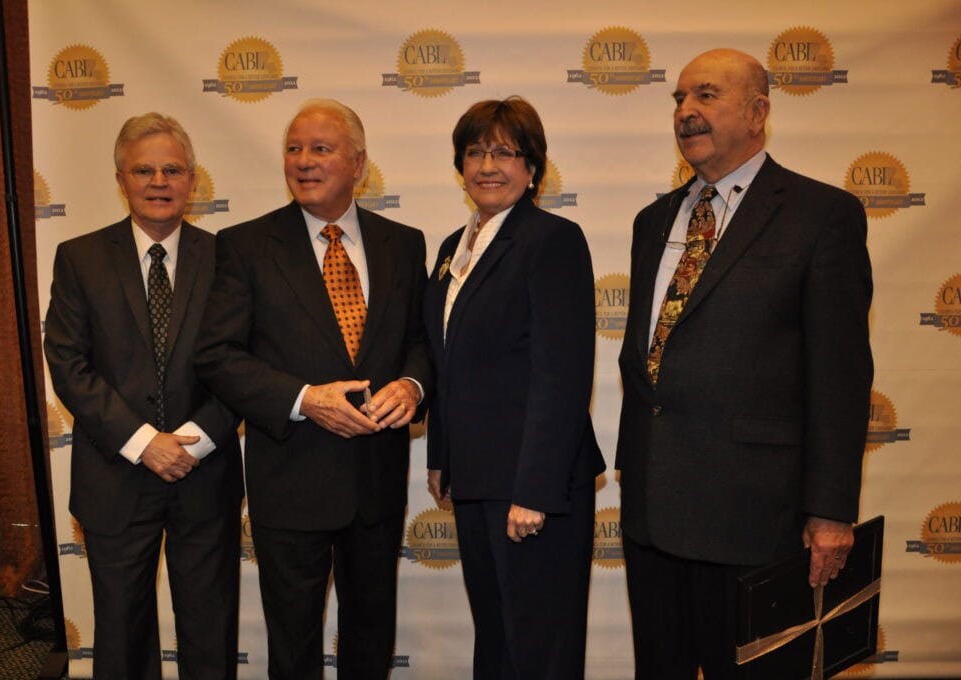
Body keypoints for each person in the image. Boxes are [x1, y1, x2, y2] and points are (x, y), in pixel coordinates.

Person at [615, 48, 874, 678]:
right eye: (678, 99)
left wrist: (833, 511)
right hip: (653, 514)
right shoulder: (654, 220)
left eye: (706, 95)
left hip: (757, 517)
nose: (686, 112)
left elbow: (840, 377)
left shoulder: (821, 216)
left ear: (758, 112)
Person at [194, 98, 431, 680]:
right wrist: (304, 399)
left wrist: (412, 383)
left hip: (376, 482)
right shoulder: (244, 245)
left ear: (359, 164)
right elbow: (217, 355)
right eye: (294, 149)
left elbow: (423, 341)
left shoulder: (404, 243)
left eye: (321, 149)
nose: (303, 161)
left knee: (371, 638)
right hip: (291, 481)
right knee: (293, 646)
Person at [43, 113, 243, 680]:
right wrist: (143, 442)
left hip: (203, 474)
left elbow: (244, 365)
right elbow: (68, 363)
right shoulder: (79, 258)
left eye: (172, 169)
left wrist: (192, 442)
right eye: (144, 170)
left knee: (209, 631)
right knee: (122, 635)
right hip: (115, 475)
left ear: (193, 179)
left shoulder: (228, 256)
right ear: (121, 179)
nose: (159, 181)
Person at [424, 96, 605, 680]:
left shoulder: (551, 239)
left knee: (539, 651)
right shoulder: (456, 246)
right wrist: (440, 456)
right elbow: (447, 361)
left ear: (534, 167)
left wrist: (535, 490)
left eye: (505, 152)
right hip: (476, 481)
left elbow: (563, 374)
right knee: (498, 643)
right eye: (474, 152)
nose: (487, 165)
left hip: (534, 490)